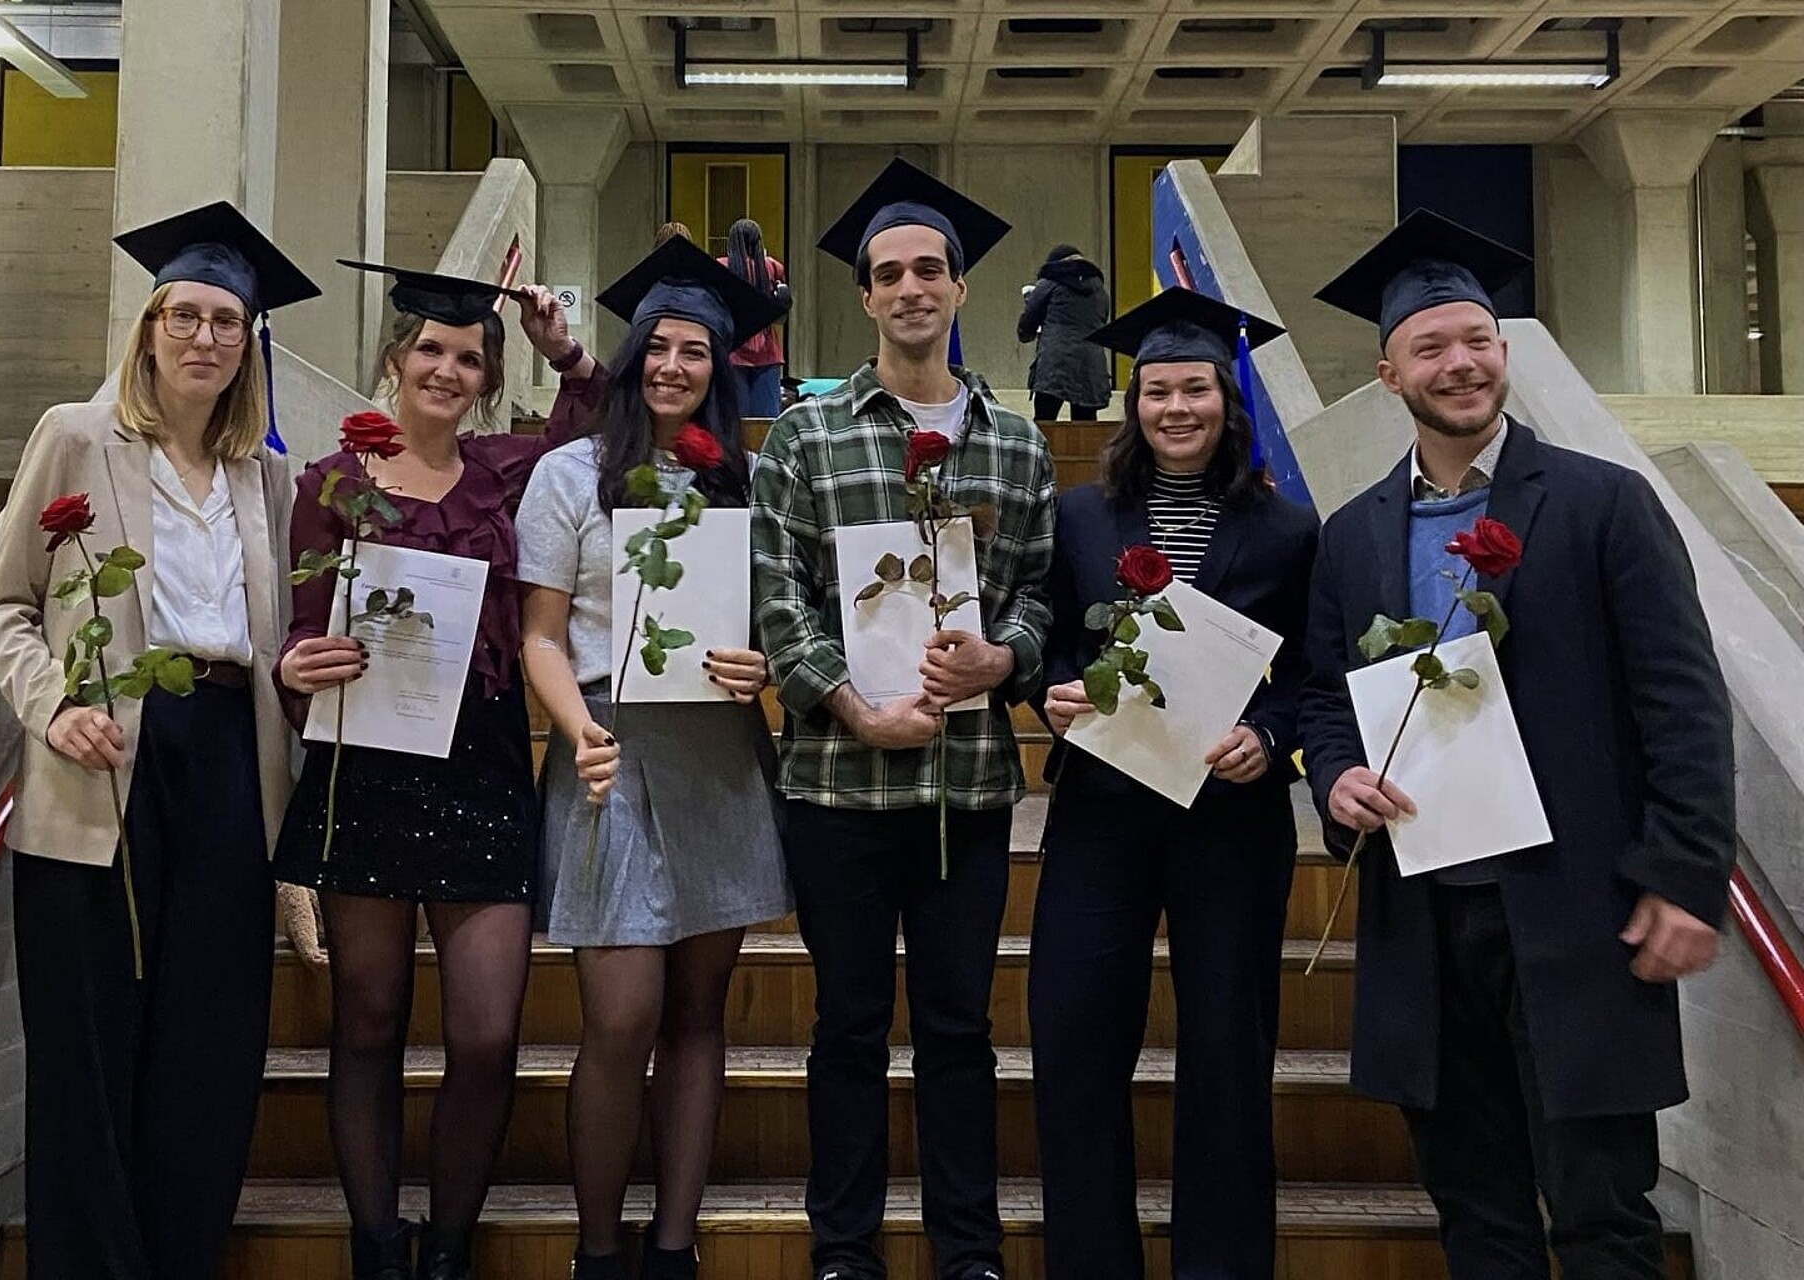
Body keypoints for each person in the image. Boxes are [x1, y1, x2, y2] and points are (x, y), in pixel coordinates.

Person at [1302, 209, 1735, 1279]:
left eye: (1478, 340)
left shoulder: (1603, 504)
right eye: (1432, 347)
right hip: (1424, 915)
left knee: (1602, 1209)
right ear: (1388, 373)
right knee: (1476, 1209)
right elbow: (1322, 698)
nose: (1461, 364)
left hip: (1575, 906)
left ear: (1504, 350)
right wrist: (1335, 777)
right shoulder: (1352, 533)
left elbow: (1680, 700)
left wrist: (1685, 877)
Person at [0, 201, 317, 1280]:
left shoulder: (269, 476)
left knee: (207, 1045)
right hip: (103, 758)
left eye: (226, 322)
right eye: (186, 315)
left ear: (248, 341)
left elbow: (276, 638)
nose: (205, 338)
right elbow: (3, 609)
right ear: (150, 326)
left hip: (228, 762)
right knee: (88, 1044)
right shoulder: (77, 437)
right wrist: (51, 705)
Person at [752, 156, 1056, 1280]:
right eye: (890, 273)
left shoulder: (1016, 444)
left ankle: (966, 1248)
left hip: (967, 785)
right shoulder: (808, 433)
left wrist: (1001, 656)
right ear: (867, 297)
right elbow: (776, 587)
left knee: (959, 1030)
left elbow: (1035, 590)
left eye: (931, 268)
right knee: (845, 1028)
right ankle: (844, 1248)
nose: (912, 287)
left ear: (961, 288)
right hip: (838, 784)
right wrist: (848, 703)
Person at [269, 262, 575, 1280]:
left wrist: (560, 348)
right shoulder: (331, 484)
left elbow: (604, 432)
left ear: (488, 380)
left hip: (482, 765)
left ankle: (447, 1246)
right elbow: (303, 638)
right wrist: (295, 664)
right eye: (431, 351)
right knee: (367, 1022)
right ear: (397, 362)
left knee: (486, 1035)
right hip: (366, 765)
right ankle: (377, 1241)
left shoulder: (506, 474)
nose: (448, 369)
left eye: (470, 358)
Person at [514, 236, 793, 1280]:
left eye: (696, 352)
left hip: (718, 751)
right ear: (631, 359)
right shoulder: (568, 476)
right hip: (606, 750)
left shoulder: (747, 485)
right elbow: (540, 632)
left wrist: (761, 660)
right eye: (659, 347)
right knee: (618, 1015)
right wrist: (572, 725)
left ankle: (673, 1245)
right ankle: (598, 1247)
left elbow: (775, 623)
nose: (675, 366)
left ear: (722, 368)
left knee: (696, 1015)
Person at [1031, 288, 1318, 1280]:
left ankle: (1222, 1264)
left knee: (1229, 1052)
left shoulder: (1286, 529)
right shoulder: (1079, 515)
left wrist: (1270, 736)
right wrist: (1053, 690)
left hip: (1229, 817)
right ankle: (1091, 1259)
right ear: (1133, 401)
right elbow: (1051, 641)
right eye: (1157, 390)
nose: (1176, 407)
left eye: (1195, 387)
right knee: (1074, 1038)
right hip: (1103, 809)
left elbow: (1311, 679)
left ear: (1224, 399)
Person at [1016, 243, 1110, 422]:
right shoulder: (1100, 291)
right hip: (1091, 363)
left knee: (1045, 421)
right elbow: (1102, 321)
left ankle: (1044, 452)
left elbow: (1030, 318)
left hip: (1055, 360)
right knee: (1086, 428)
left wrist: (1026, 334)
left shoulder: (1049, 283)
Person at [718, 217, 794, 418]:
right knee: (767, 420)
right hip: (767, 351)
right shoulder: (772, 267)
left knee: (735, 421)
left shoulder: (722, 266)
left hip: (733, 351)